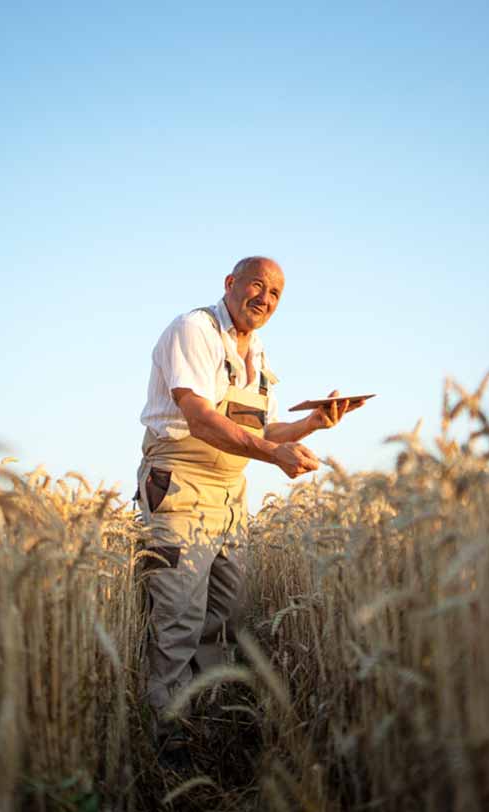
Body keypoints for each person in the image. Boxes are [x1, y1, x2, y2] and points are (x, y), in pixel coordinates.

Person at [135, 255, 363, 762]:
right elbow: (197, 417)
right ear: (230, 284)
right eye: (256, 285)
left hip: (230, 495)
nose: (265, 298)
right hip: (180, 486)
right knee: (178, 617)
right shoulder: (194, 330)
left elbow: (264, 432)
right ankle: (168, 744)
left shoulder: (257, 353)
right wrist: (273, 455)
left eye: (276, 294)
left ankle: (208, 726)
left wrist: (312, 426)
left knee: (224, 614)